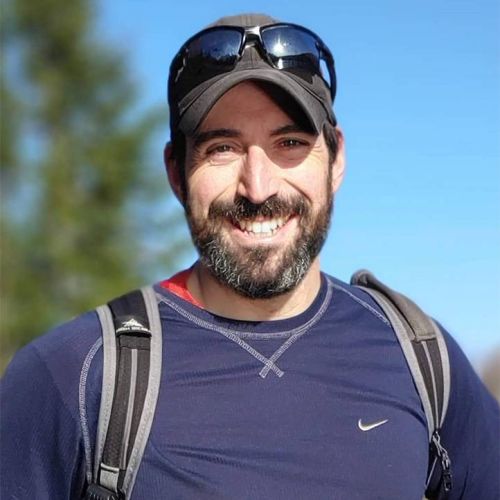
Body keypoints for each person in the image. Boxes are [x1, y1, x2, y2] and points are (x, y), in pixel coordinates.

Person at [1, 12, 499, 500]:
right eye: (222, 148)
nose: (258, 188)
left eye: (290, 142)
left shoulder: (422, 360)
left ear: (336, 159)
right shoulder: (74, 377)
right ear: (176, 173)